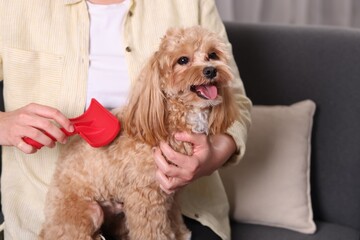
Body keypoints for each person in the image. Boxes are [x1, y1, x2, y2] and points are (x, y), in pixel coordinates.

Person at [0, 0, 252, 239]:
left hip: (187, 210)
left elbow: (235, 99)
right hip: (50, 207)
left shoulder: (191, 3)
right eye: (184, 60)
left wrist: (213, 156)